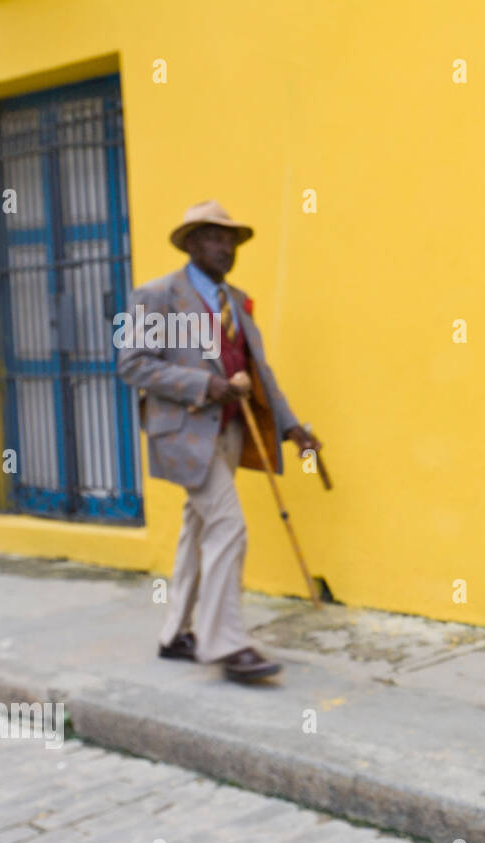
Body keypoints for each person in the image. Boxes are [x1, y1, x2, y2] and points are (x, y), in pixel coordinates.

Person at [117, 200, 321, 682]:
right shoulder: (157, 295)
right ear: (190, 243)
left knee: (197, 527)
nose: (225, 248)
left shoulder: (238, 302)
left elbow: (259, 372)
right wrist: (203, 384)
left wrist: (291, 427)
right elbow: (133, 364)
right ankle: (225, 643)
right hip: (184, 433)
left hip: (229, 431)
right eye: (213, 237)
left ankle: (175, 634)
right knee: (229, 526)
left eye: (230, 240)